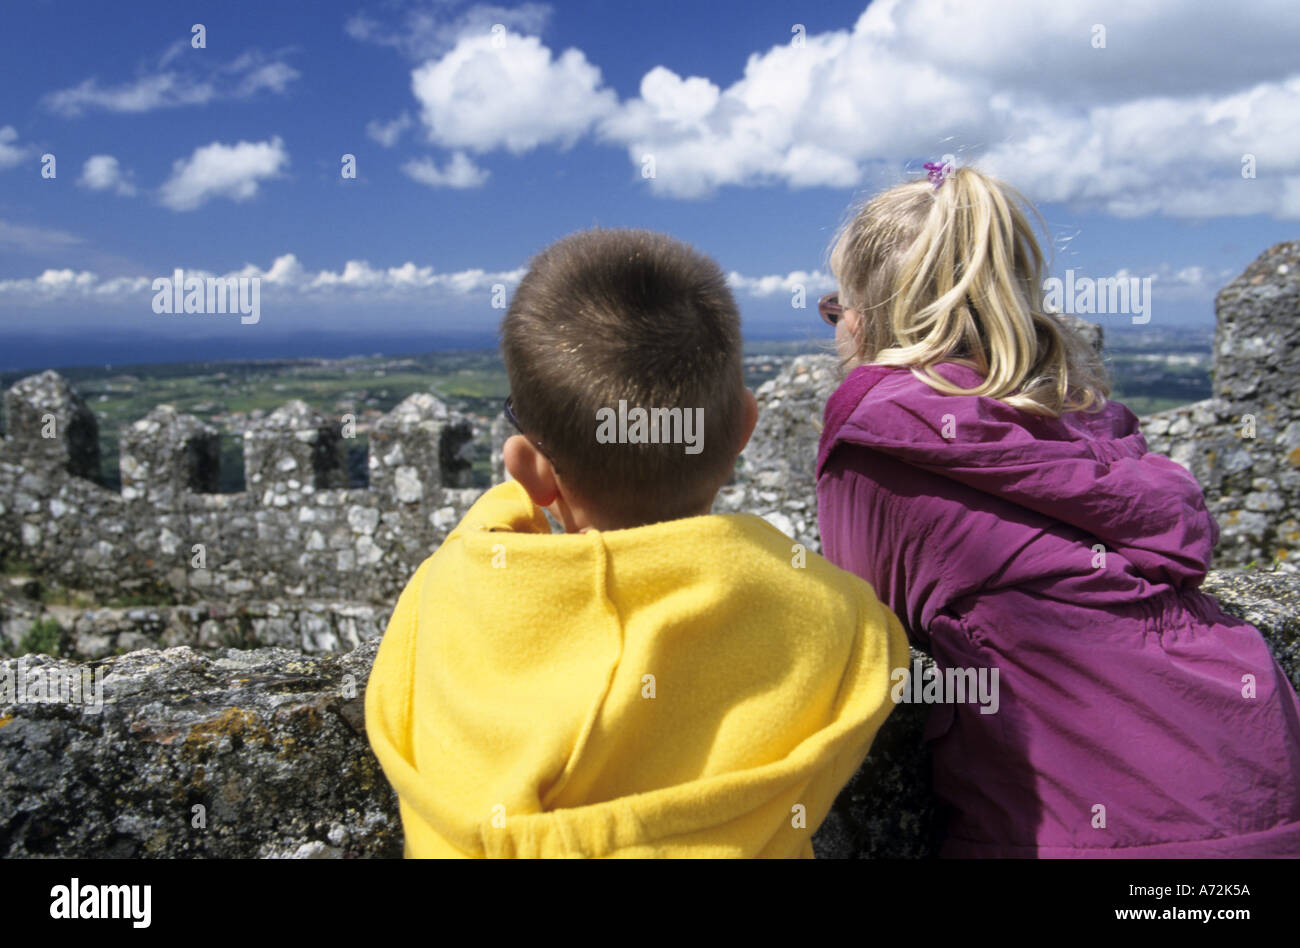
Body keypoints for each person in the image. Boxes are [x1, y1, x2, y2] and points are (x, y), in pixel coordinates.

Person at [366, 227, 910, 858]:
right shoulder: (834, 622)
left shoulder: (451, 601)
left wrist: (523, 493)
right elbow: (880, 644)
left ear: (526, 466)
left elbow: (465, 553)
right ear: (745, 427)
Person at [815, 164, 1300, 857]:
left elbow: (865, 617)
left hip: (1100, 834)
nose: (836, 329)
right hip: (1263, 777)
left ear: (870, 318)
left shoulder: (877, 433)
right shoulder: (1093, 425)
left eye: (837, 309)